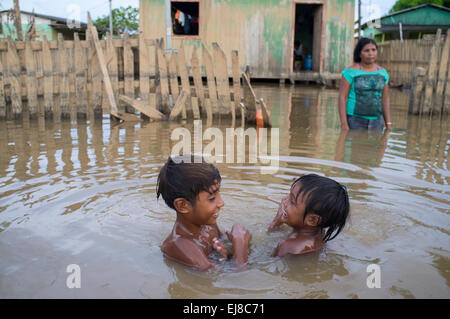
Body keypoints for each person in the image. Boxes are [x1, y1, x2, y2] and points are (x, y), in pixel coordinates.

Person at [157, 155, 252, 271]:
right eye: (212, 198)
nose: (221, 203)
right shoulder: (179, 245)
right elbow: (238, 280)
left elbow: (227, 259)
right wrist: (240, 243)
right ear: (182, 205)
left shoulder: (207, 223)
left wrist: (228, 254)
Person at [267, 174, 350, 257]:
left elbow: (265, 264)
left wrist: (274, 223)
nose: (284, 200)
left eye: (292, 201)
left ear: (312, 220)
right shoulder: (321, 233)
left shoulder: (287, 247)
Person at [338, 37, 392, 130]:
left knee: (376, 144)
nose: (370, 53)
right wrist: (344, 124)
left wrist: (388, 123)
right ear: (360, 53)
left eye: (373, 50)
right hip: (354, 120)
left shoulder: (383, 73)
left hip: (377, 122)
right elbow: (342, 97)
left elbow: (385, 99)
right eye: (366, 50)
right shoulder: (350, 72)